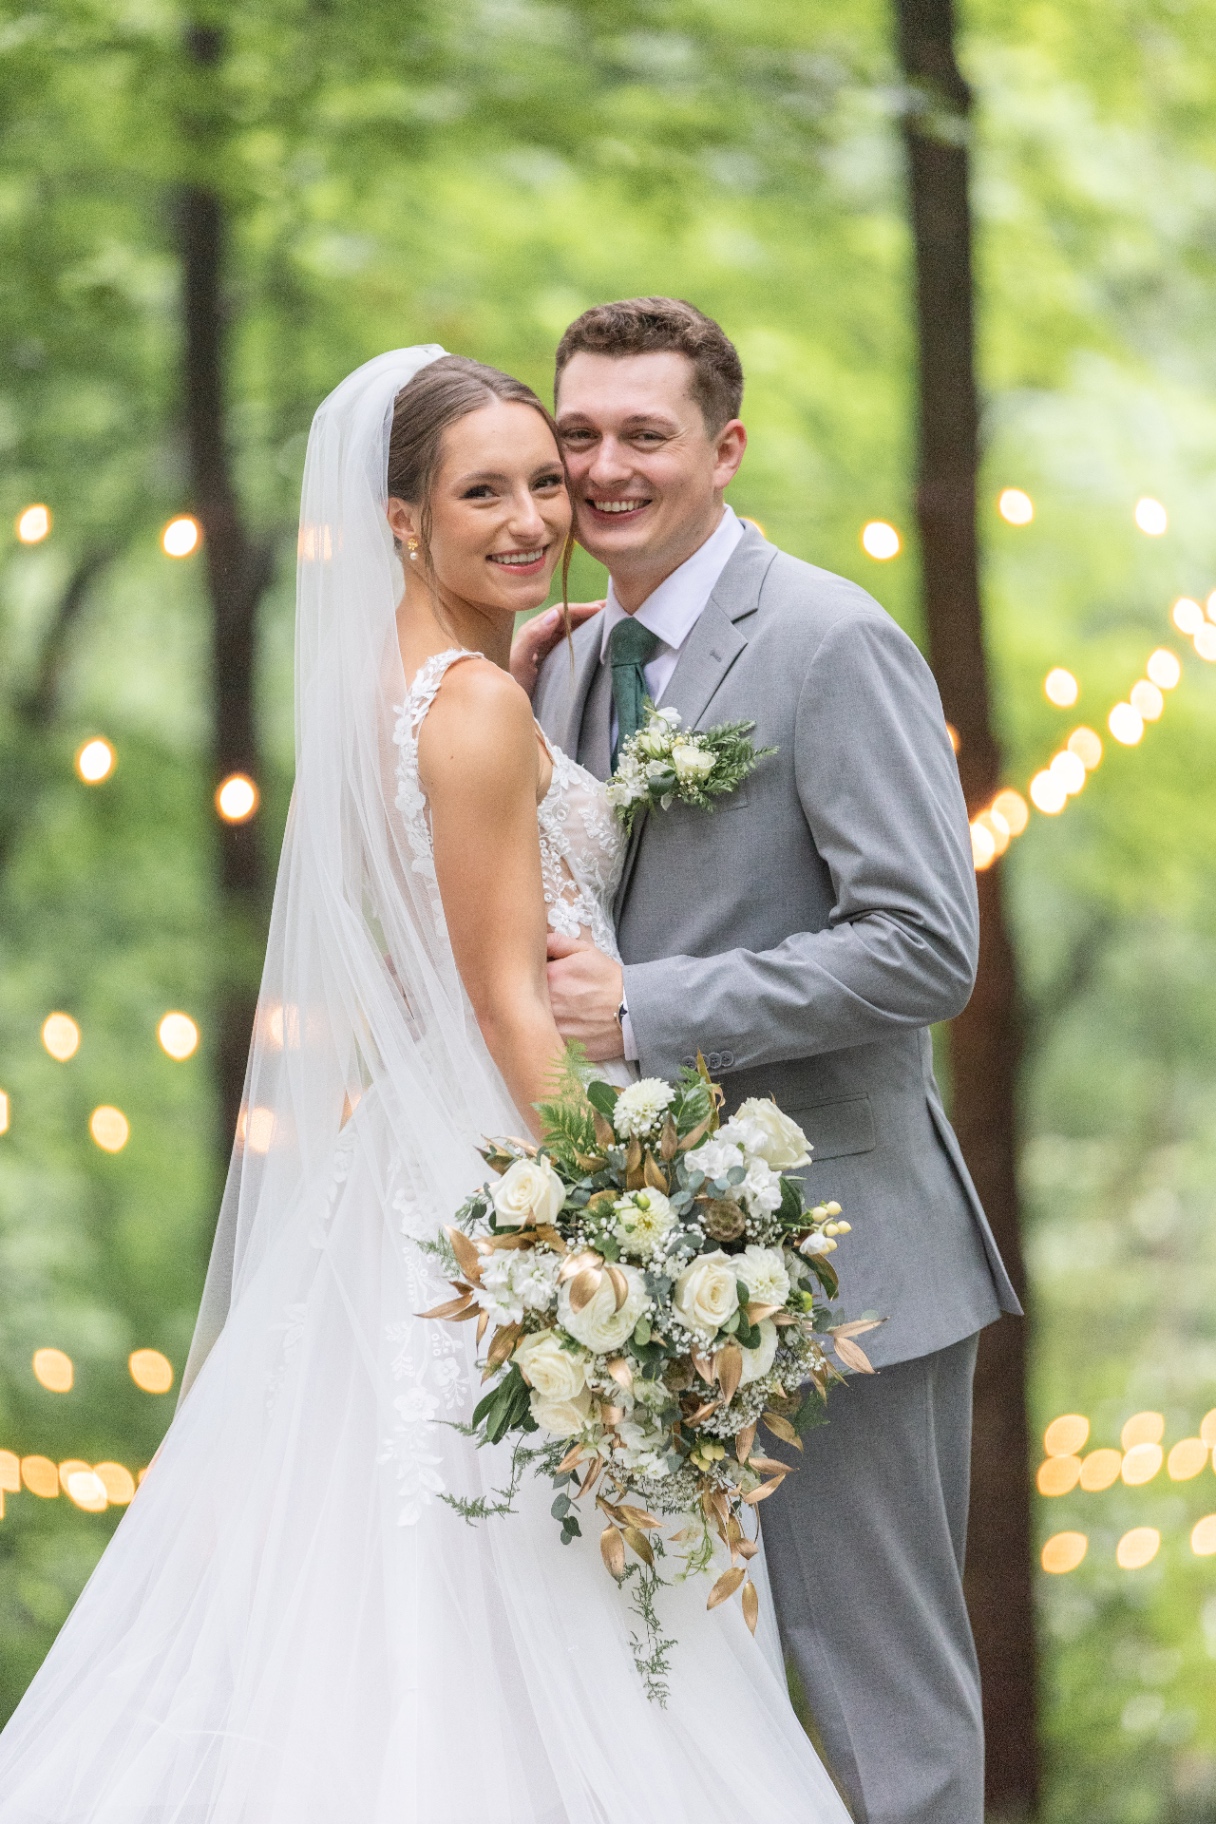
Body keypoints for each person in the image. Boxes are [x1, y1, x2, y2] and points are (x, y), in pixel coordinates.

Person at [0, 347, 853, 1824]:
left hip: (409, 1173)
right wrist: (627, 1230)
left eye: (544, 481)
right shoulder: (466, 707)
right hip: (505, 1192)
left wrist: (507, 680)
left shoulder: (413, 688)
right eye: (485, 491)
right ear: (401, 519)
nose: (535, 516)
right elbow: (507, 998)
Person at [523, 297, 1022, 1824]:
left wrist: (653, 1008)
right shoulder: (565, 662)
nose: (605, 469)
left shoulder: (827, 639)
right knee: (680, 1690)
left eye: (645, 436)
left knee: (880, 1699)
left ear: (724, 449)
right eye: (580, 436)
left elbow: (929, 947)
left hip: (845, 1263)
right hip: (636, 1268)